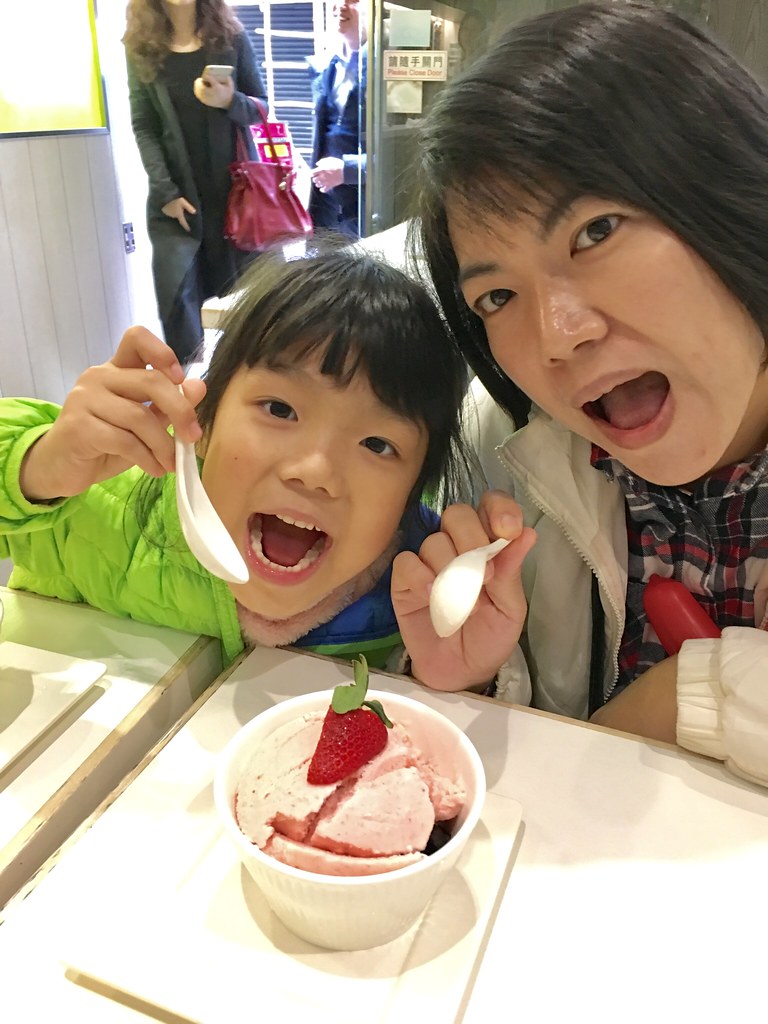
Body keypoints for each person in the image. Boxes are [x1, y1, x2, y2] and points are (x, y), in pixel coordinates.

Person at [391, 0, 768, 788]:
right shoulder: (500, 453)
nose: (556, 336)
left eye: (596, 231)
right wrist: (467, 688)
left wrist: (696, 700)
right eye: (497, 297)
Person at [0, 246, 468, 670]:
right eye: (279, 409)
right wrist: (35, 469)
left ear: (411, 494)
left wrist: (463, 679)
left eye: (377, 445)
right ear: (202, 420)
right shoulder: (101, 504)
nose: (314, 472)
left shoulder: (421, 590)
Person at [123, 0, 267, 364]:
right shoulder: (140, 47)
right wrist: (166, 192)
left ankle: (243, 380)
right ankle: (188, 387)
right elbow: (144, 125)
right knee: (178, 303)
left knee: (247, 305)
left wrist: (229, 100)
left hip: (235, 197)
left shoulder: (232, 38)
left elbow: (261, 109)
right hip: (178, 203)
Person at [308, 0, 367, 238]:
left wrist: (348, 169)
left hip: (369, 214)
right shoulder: (325, 68)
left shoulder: (389, 69)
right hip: (327, 213)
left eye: (353, 0)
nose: (341, 5)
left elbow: (403, 154)